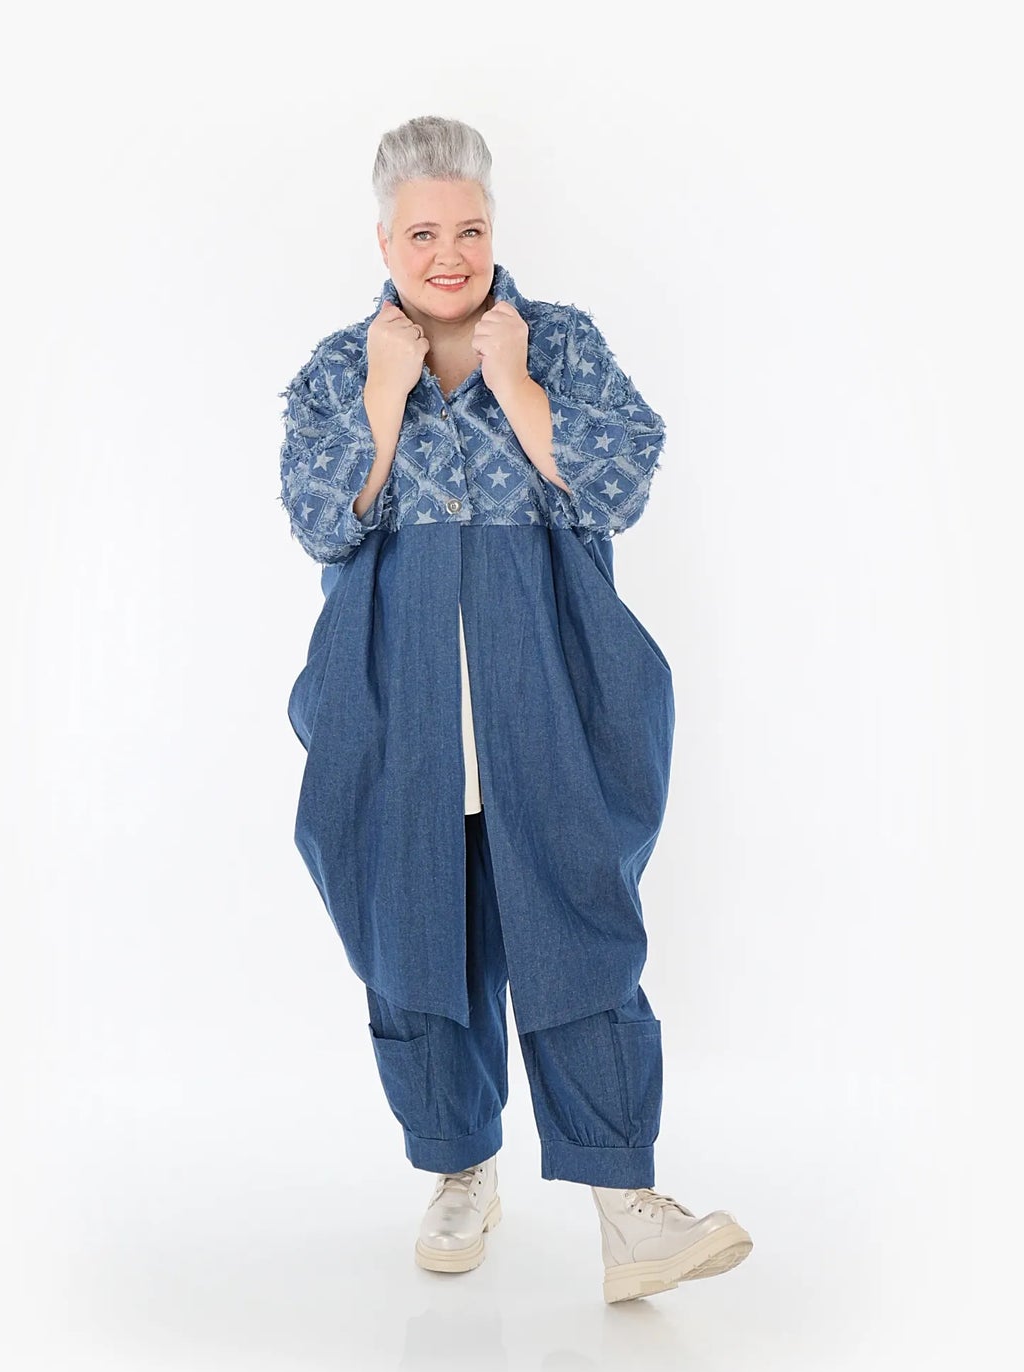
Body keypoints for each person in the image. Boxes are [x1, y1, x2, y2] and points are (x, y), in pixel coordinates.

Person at [277, 115, 752, 1304]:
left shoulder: (557, 342)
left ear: (494, 230)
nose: (448, 254)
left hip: (548, 694)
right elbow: (320, 521)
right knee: (415, 936)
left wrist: (517, 385)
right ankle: (458, 1168)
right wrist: (384, 394)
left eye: (469, 229)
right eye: (421, 233)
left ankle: (627, 1205)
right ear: (382, 239)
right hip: (396, 708)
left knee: (576, 929)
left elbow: (618, 485)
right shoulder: (340, 368)